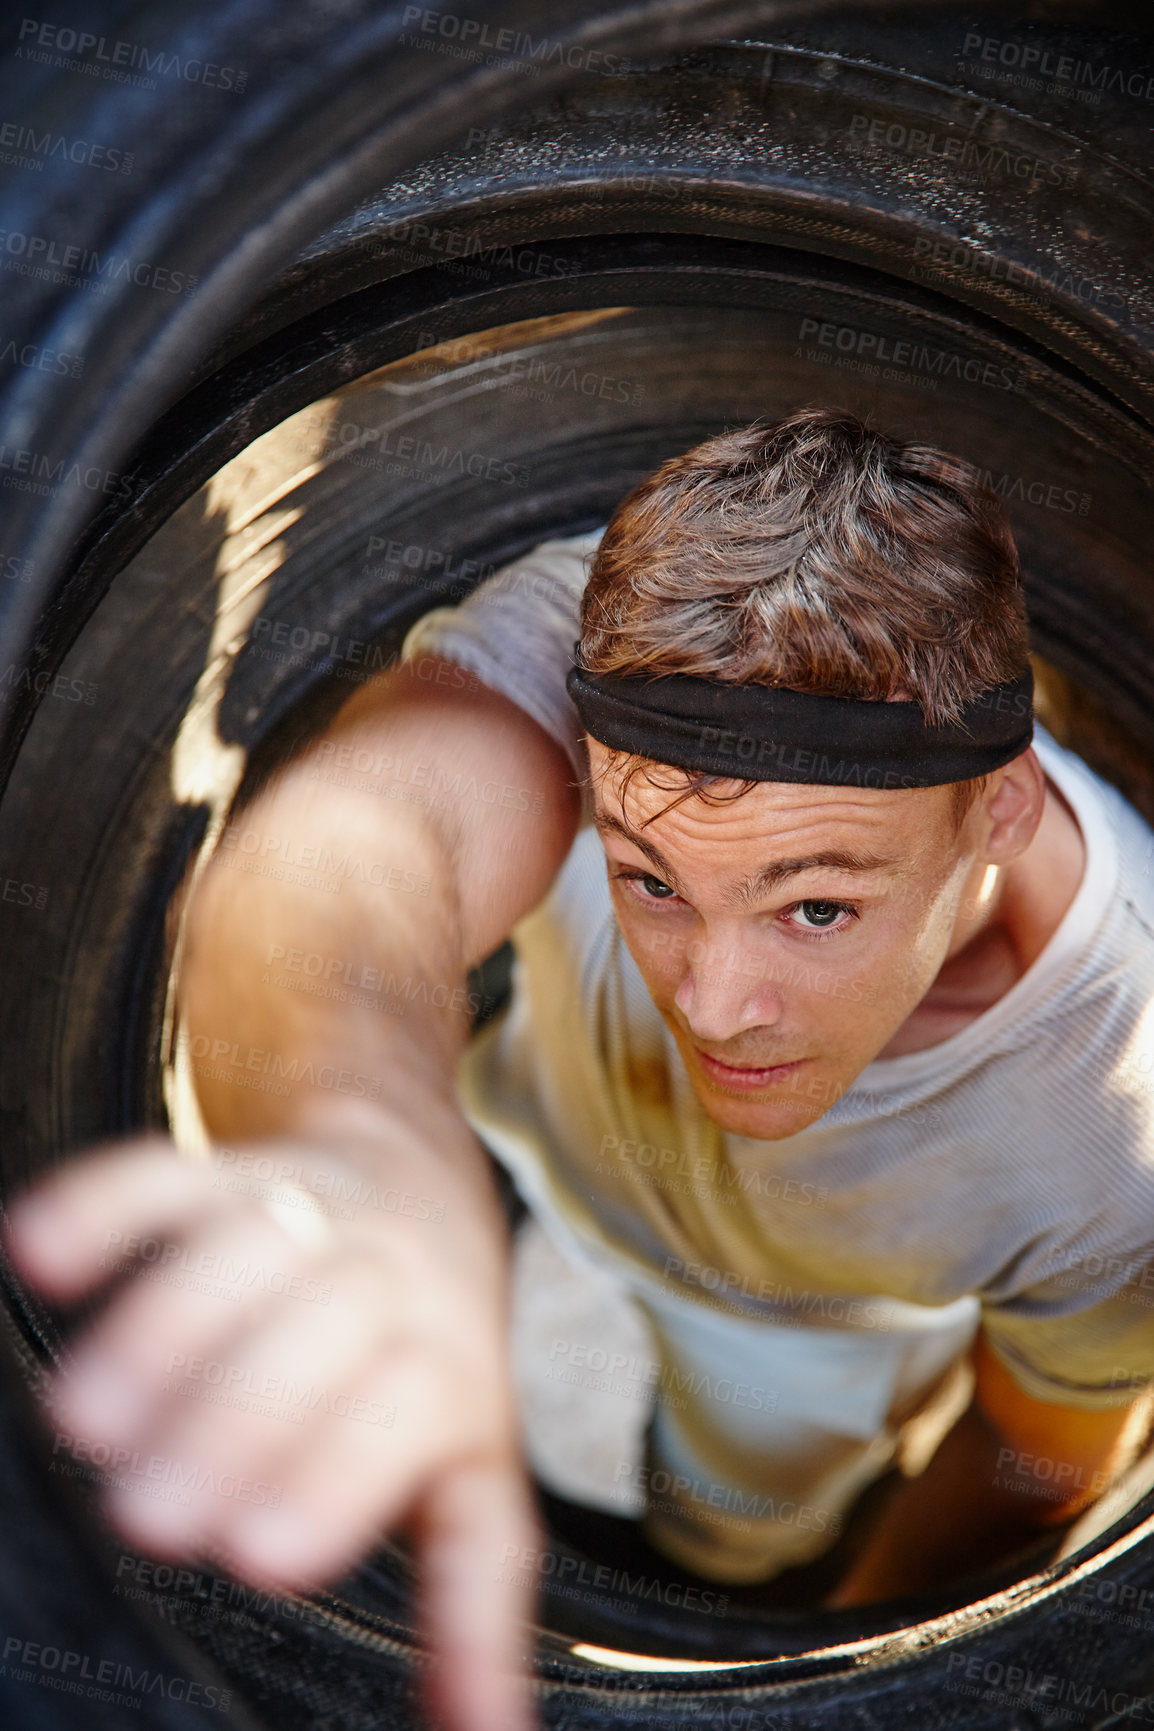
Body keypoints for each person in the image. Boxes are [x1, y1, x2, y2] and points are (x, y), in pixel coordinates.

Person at [7, 409, 1154, 1731]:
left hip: (788, 1331)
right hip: (541, 1153)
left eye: (815, 909)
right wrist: (375, 1152)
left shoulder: (1120, 1122)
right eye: (649, 882)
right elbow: (361, 838)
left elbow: (1025, 1464)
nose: (714, 1008)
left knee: (729, 1525)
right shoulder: (614, 639)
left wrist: (814, 1688)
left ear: (999, 809)